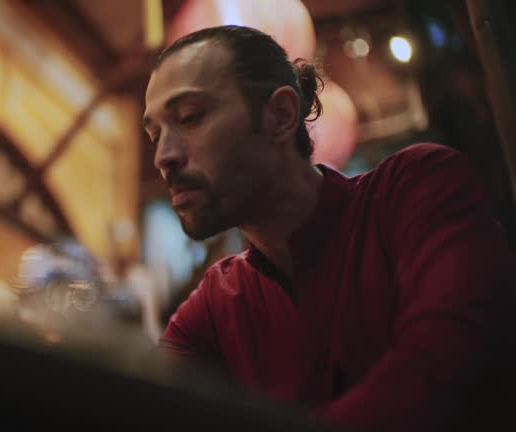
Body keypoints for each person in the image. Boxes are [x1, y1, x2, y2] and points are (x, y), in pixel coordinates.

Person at [142, 25, 515, 431]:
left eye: (189, 117)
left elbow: (447, 366)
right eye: (155, 134)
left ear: (281, 115)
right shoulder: (215, 305)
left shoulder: (414, 189)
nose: (163, 157)